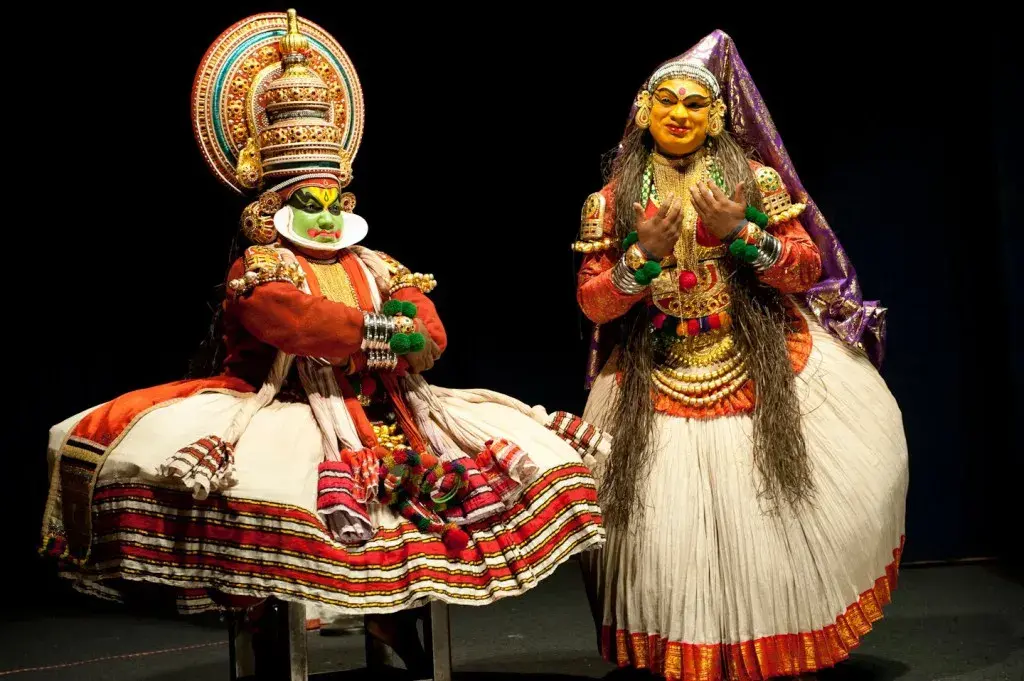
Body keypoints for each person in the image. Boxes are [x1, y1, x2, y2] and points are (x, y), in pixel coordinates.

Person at [39, 9, 604, 673]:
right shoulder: (262, 266)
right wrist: (382, 333)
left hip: (390, 412)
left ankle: (397, 627)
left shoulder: (378, 264)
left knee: (437, 498)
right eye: (313, 202)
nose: (330, 214)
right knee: (286, 506)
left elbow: (430, 333)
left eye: (337, 199)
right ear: (274, 203)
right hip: (286, 409)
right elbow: (295, 324)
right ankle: (296, 633)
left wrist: (388, 337)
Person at [572, 31, 908, 680]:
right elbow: (593, 304)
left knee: (775, 522)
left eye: (694, 105)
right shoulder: (612, 200)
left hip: (755, 363)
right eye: (665, 101)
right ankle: (686, 652)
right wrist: (639, 259)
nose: (678, 113)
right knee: (659, 535)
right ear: (644, 111)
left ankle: (770, 648)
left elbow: (805, 268)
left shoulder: (753, 182)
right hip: (656, 373)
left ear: (718, 115)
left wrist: (743, 235)